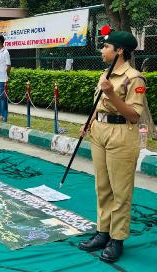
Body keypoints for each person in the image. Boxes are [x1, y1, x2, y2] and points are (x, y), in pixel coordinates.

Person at [77, 30, 146, 263]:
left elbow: (135, 115)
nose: (102, 50)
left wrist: (112, 94)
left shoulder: (134, 77)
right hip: (100, 132)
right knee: (103, 186)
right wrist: (88, 122)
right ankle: (103, 233)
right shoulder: (105, 74)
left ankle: (117, 240)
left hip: (122, 134)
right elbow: (99, 103)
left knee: (120, 191)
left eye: (106, 47)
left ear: (120, 51)